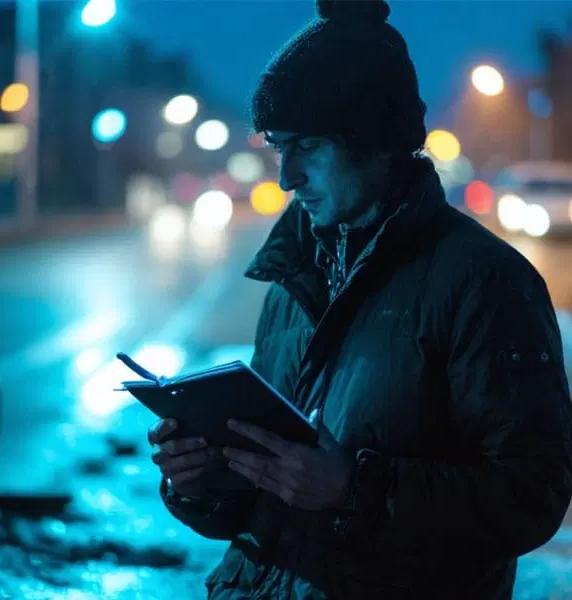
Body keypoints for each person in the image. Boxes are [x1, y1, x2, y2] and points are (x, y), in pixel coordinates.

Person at [147, 0, 572, 598]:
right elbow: (263, 506)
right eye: (278, 147)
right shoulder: (293, 277)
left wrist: (354, 488)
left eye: (309, 147)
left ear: (377, 142)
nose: (285, 177)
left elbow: (532, 493)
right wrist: (200, 480)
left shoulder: (483, 281)